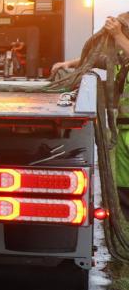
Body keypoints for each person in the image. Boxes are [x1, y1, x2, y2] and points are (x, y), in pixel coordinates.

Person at [52, 14, 129, 210]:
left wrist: (118, 34)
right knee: (124, 188)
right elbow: (97, 60)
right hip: (124, 132)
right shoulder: (123, 59)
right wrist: (69, 64)